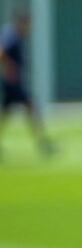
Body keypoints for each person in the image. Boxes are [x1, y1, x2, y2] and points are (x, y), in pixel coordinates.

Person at [0, 13, 53, 156]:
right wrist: (10, 69)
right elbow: (2, 52)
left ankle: (42, 142)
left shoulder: (12, 35)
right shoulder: (13, 36)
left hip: (11, 84)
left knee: (6, 115)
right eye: (27, 25)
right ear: (22, 23)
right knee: (31, 108)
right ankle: (43, 143)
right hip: (12, 84)